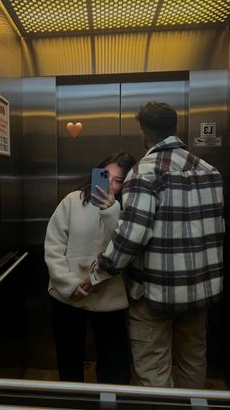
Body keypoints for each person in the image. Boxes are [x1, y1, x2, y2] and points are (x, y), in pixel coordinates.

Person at [80, 102, 225, 389]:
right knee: (193, 361)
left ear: (143, 134)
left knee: (153, 371)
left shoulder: (143, 172)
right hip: (200, 293)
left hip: (155, 296)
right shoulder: (210, 171)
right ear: (176, 128)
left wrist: (98, 271)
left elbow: (132, 236)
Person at [44, 151, 136, 384]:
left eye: (118, 181)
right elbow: (53, 246)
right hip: (68, 295)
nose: (110, 185)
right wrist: (68, 284)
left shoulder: (129, 209)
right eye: (106, 177)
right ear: (97, 174)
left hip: (108, 296)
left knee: (115, 361)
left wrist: (112, 211)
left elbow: (124, 245)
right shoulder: (73, 201)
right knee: (69, 356)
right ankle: (73, 401)